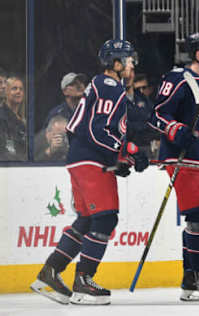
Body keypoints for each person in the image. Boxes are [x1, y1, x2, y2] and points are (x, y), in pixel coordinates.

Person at [30, 39, 149, 305]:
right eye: (128, 61)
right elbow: (99, 130)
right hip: (89, 160)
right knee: (105, 219)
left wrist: (123, 158)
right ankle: (84, 280)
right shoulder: (109, 86)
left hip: (82, 158)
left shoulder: (101, 85)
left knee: (86, 220)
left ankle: (50, 271)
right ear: (115, 64)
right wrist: (128, 149)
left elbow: (95, 131)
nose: (132, 65)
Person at [147, 32, 199, 302]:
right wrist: (176, 129)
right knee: (197, 215)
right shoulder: (177, 79)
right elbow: (157, 114)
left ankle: (188, 279)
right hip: (183, 157)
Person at [0, 75, 26, 160]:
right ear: (6, 92)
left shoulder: (23, 119)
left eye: (21, 89)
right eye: (14, 88)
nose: (18, 91)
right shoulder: (2, 116)